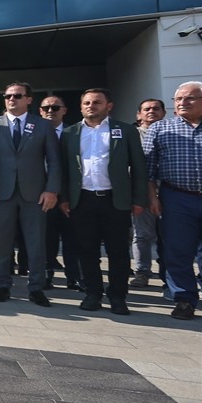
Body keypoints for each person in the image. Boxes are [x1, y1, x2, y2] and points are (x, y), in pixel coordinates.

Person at [60, 88, 147, 315]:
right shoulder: (70, 133)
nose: (91, 106)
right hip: (83, 200)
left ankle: (118, 296)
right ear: (80, 107)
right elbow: (63, 170)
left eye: (97, 102)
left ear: (109, 105)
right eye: (87, 102)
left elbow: (138, 167)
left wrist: (139, 199)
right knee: (87, 250)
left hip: (114, 200)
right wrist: (64, 198)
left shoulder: (125, 131)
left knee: (118, 251)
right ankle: (93, 293)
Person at [0, 82, 60, 307]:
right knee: (3, 242)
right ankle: (2, 285)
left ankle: (36, 287)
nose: (11, 99)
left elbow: (54, 161)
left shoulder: (43, 126)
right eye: (7, 96)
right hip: (1, 194)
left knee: (36, 243)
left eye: (17, 95)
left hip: (35, 194)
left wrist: (51, 189)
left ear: (29, 99)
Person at [145, 81, 202, 321]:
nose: (182, 103)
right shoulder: (160, 128)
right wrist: (153, 198)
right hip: (177, 197)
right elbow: (148, 168)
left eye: (189, 98)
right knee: (177, 251)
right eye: (178, 99)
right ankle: (183, 299)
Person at [39, 96, 79, 291]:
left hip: (71, 196)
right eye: (45, 107)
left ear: (64, 110)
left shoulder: (75, 133)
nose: (50, 111)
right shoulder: (35, 132)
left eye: (55, 107)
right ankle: (47, 275)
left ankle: (74, 277)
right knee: (46, 239)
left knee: (73, 239)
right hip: (43, 195)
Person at [132, 98, 166, 287]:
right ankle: (142, 272)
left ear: (164, 113)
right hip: (142, 194)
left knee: (169, 236)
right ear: (139, 114)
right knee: (143, 235)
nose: (151, 111)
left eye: (156, 108)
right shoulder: (132, 135)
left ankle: (167, 274)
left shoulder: (172, 132)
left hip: (170, 193)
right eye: (146, 109)